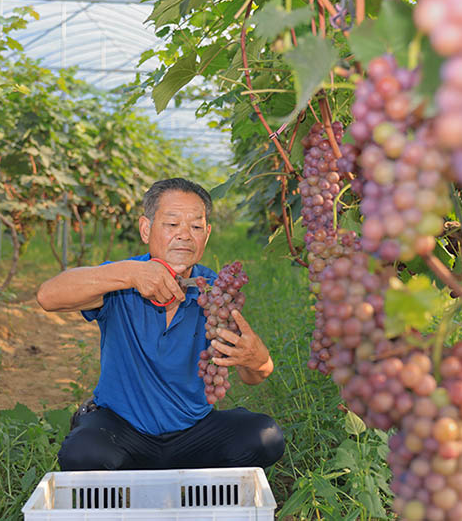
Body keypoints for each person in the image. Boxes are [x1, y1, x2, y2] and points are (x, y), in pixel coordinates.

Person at [36, 178, 284, 471]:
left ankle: (184, 486)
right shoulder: (122, 280)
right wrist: (129, 275)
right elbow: (48, 296)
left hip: (193, 431)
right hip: (121, 429)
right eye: (172, 224)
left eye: (195, 226)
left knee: (265, 437)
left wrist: (258, 360)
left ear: (207, 234)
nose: (185, 236)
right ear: (145, 229)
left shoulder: (215, 292)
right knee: (84, 453)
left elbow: (254, 375)